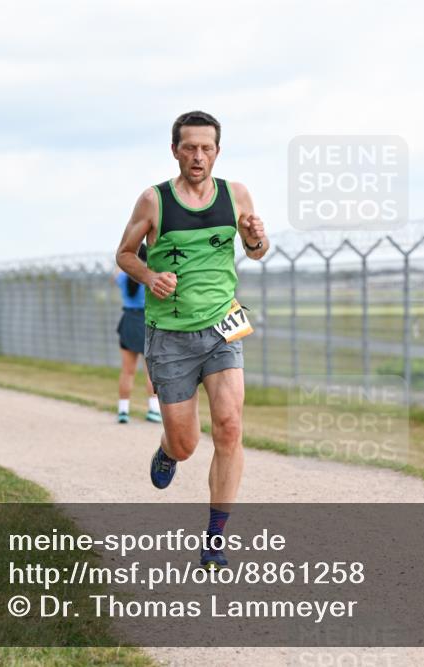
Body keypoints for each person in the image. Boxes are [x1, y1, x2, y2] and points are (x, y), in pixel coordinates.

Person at [115, 111, 269, 570]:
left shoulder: (236, 194)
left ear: (217, 151)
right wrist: (149, 274)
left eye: (206, 148)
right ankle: (168, 450)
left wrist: (257, 240)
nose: (198, 156)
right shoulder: (154, 201)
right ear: (175, 150)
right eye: (189, 147)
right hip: (170, 338)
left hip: (223, 328)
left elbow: (257, 252)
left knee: (230, 425)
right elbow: (124, 253)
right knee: (186, 443)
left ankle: (215, 539)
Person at [114, 243, 162, 424]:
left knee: (127, 371)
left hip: (127, 321)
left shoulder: (123, 278)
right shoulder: (149, 278)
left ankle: (123, 411)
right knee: (150, 372)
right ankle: (153, 410)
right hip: (146, 322)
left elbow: (117, 269)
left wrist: (125, 254)